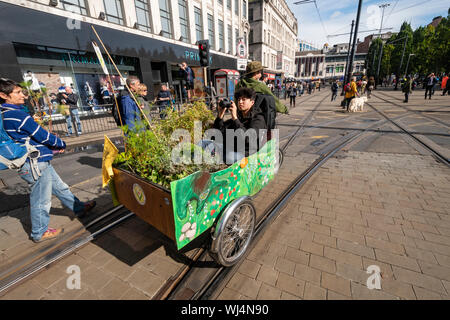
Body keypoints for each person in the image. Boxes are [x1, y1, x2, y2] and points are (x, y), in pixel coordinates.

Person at [0, 79, 96, 243]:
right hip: (34, 163)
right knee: (41, 199)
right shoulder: (15, 114)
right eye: (17, 92)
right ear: (3, 95)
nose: (23, 95)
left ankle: (79, 208)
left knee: (60, 187)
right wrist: (60, 143)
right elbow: (41, 135)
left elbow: (27, 137)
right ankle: (39, 232)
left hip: (35, 160)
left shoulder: (5, 114)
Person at [212, 87, 267, 164]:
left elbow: (248, 138)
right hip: (233, 148)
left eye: (244, 99)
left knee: (229, 157)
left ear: (252, 102)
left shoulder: (258, 118)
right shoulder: (239, 116)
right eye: (238, 100)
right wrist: (220, 116)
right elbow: (219, 133)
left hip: (248, 153)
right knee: (205, 144)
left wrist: (235, 118)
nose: (240, 102)